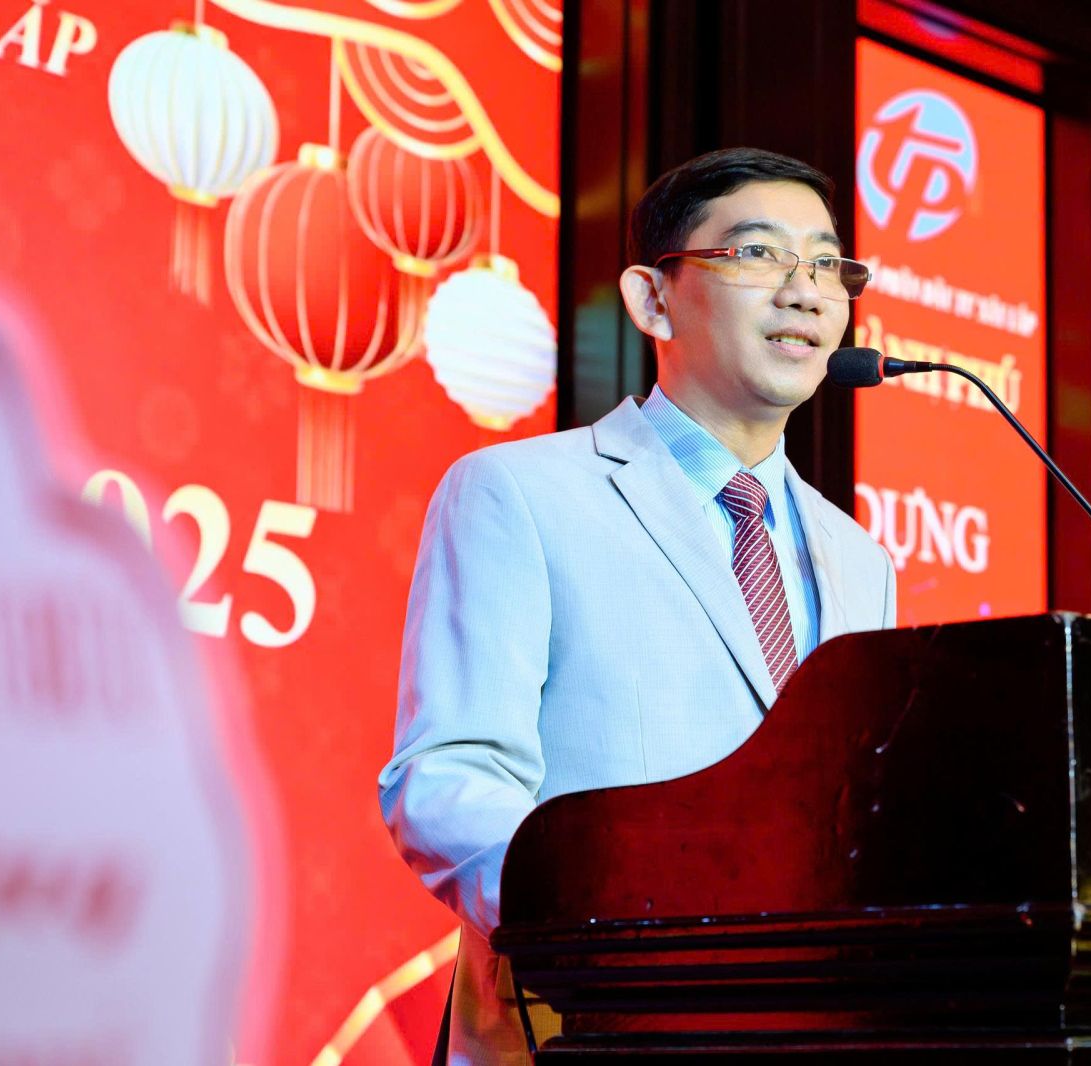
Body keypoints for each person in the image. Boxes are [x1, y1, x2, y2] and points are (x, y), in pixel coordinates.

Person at [378, 147, 897, 1063]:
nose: (806, 291)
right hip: (586, 1024)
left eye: (827, 264)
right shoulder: (520, 493)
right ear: (652, 300)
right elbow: (448, 779)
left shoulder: (860, 559)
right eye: (758, 253)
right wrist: (609, 935)